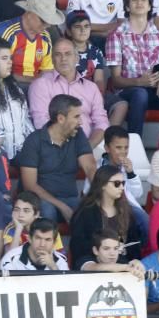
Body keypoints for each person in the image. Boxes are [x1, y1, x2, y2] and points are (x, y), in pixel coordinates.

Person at [105, 0, 159, 136]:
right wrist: (139, 82)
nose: (139, 3)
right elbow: (116, 80)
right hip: (129, 92)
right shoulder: (116, 36)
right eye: (134, 0)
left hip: (155, 90)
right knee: (140, 94)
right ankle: (134, 145)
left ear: (150, 6)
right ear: (127, 7)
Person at [17, 94, 96, 223]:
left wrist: (100, 194)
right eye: (76, 117)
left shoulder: (78, 134)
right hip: (41, 199)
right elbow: (29, 185)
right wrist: (62, 207)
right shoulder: (34, 141)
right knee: (48, 211)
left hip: (70, 197)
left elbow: (90, 167)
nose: (80, 122)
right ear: (60, 118)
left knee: (91, 212)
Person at [28, 38, 109, 146]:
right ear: (52, 60)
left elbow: (101, 123)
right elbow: (41, 122)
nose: (63, 59)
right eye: (58, 54)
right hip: (54, 148)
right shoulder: (40, 85)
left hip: (90, 147)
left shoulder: (91, 88)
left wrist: (86, 149)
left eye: (68, 54)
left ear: (77, 58)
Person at [69, 165, 143, 269]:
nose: (122, 187)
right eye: (117, 183)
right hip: (91, 266)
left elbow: (134, 245)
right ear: (102, 184)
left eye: (123, 183)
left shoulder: (127, 212)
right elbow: (79, 247)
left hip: (122, 264)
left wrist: (130, 257)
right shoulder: (85, 213)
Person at [0, 0, 63, 85]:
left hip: (37, 87)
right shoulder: (5, 32)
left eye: (49, 21)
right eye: (43, 20)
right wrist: (33, 81)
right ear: (29, 13)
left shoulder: (45, 37)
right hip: (7, 85)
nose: (47, 25)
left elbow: (47, 71)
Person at [95, 125, 150, 239]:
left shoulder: (127, 167)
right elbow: (88, 191)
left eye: (126, 148)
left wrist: (130, 173)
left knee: (144, 219)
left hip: (126, 205)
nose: (123, 152)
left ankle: (144, 250)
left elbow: (137, 194)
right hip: (104, 205)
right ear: (107, 148)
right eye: (118, 148)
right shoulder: (97, 167)